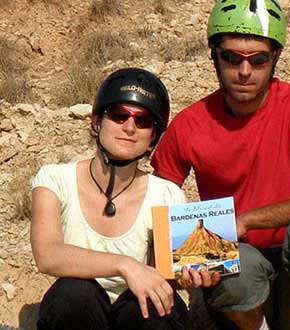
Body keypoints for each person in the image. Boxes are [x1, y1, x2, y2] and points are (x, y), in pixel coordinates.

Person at [151, 1, 290, 329]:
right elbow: (156, 206)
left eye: (258, 60)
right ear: (213, 55)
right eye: (232, 57)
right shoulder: (189, 124)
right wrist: (180, 264)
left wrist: (246, 220)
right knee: (236, 262)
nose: (245, 71)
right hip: (238, 278)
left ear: (275, 58)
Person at [31, 68, 190, 330]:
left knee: (156, 309)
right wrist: (125, 265)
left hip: (135, 313)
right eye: (119, 116)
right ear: (97, 122)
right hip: (82, 311)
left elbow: (163, 275)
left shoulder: (166, 194)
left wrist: (191, 274)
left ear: (153, 137)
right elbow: (47, 255)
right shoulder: (55, 179)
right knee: (73, 294)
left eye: (143, 121)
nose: (129, 127)